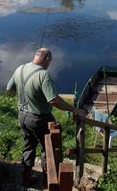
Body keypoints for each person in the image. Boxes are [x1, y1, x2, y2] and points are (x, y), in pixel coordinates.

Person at [6, 47, 86, 187]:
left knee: (28, 146)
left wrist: (26, 96)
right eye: (50, 61)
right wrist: (75, 109)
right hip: (39, 119)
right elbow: (53, 100)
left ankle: (26, 179)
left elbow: (9, 90)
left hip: (22, 116)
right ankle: (47, 181)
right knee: (47, 149)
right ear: (47, 59)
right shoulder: (43, 75)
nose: (50, 64)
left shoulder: (20, 68)